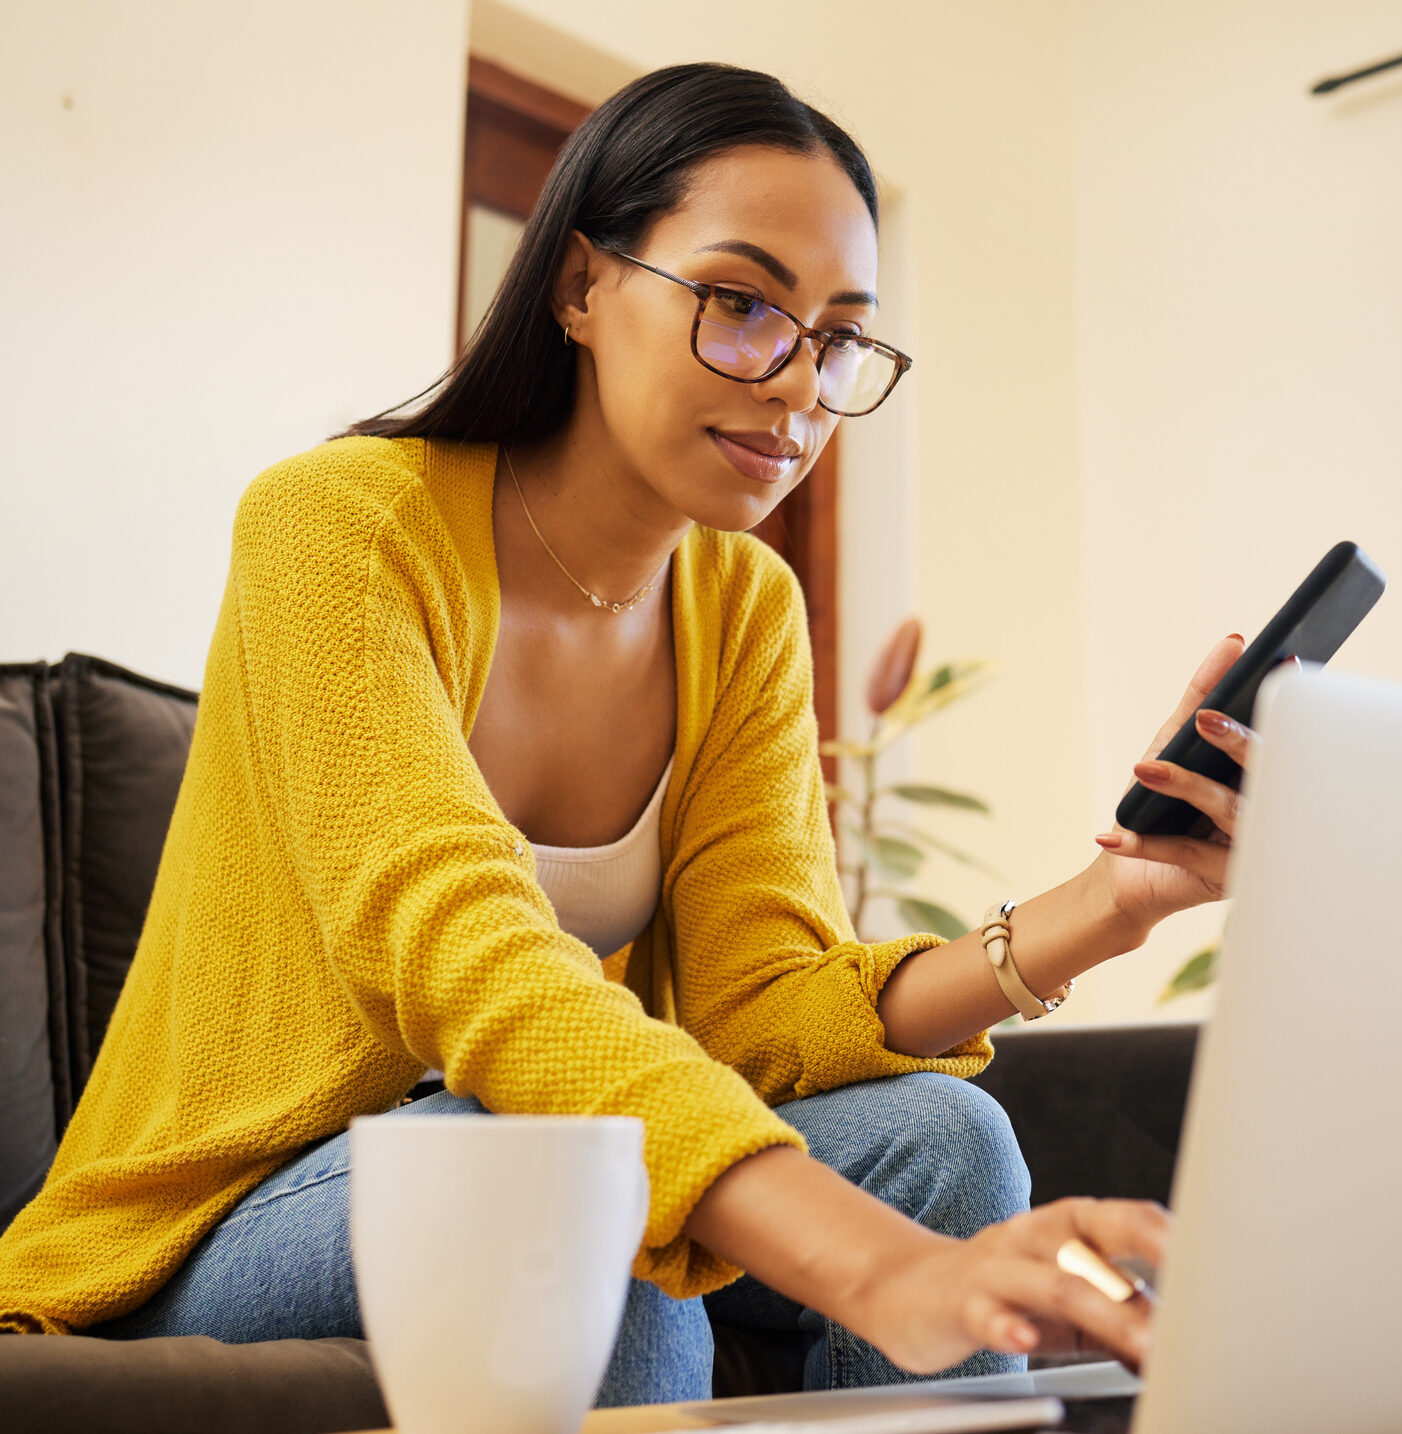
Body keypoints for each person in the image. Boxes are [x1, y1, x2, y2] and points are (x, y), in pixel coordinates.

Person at [0, 63, 1253, 1403]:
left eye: (836, 336)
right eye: (738, 305)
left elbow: (758, 1004)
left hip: (533, 1142)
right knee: (577, 1197)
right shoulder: (337, 524)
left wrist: (1107, 907)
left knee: (947, 1136)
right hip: (229, 1214)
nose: (797, 387)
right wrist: (887, 1272)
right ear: (582, 286)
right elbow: (475, 961)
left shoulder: (742, 605)